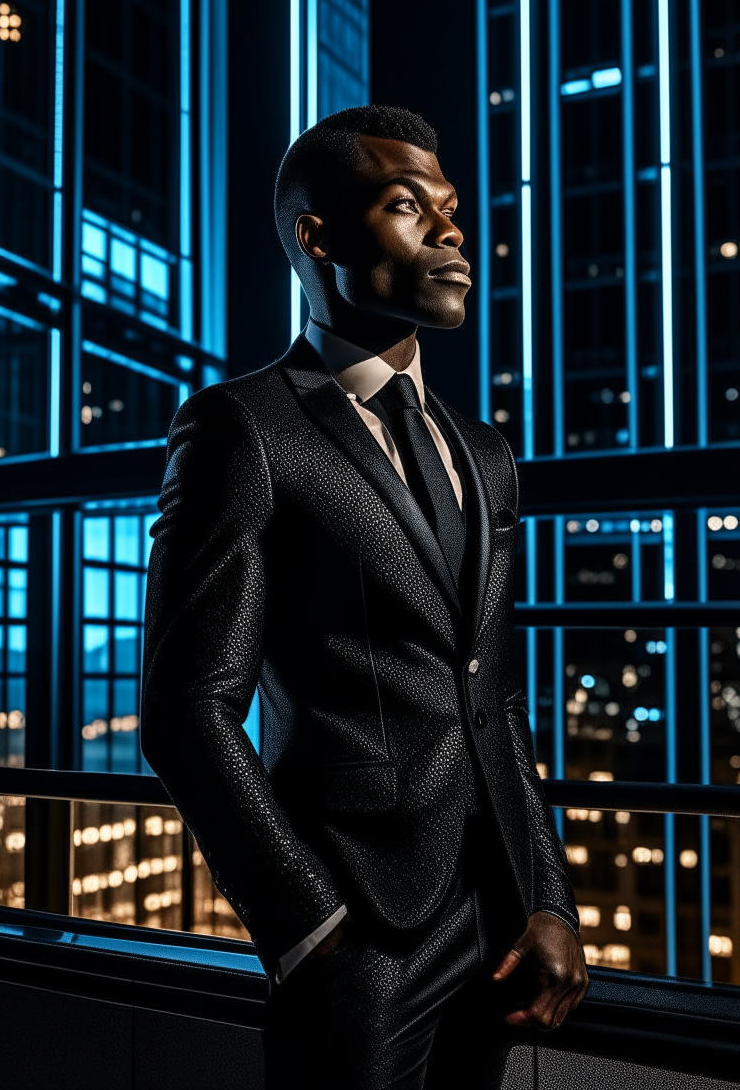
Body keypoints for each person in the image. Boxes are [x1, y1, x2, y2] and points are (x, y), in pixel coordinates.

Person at [141, 104, 587, 1089]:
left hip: (492, 924)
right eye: (405, 205)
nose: (451, 231)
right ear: (318, 236)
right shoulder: (240, 430)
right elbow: (185, 711)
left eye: (452, 209)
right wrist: (309, 925)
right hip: (354, 937)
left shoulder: (484, 454)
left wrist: (546, 898)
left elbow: (491, 697)